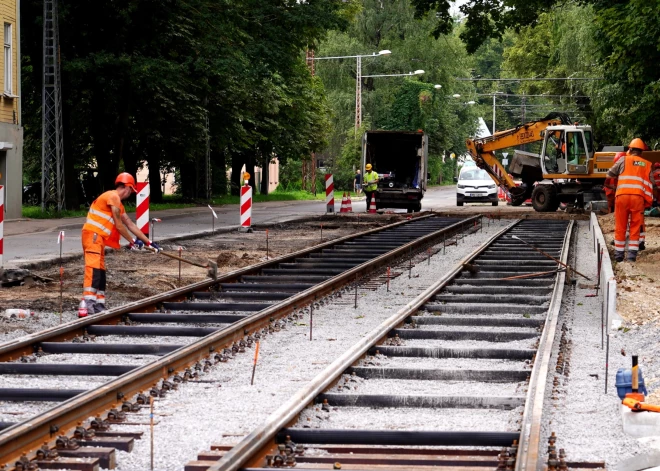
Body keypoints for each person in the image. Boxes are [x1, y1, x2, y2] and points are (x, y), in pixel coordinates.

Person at [81, 173, 162, 315]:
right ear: (127, 187)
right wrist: (132, 242)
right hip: (92, 237)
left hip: (98, 239)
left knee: (100, 272)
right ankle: (88, 304)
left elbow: (130, 224)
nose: (130, 194)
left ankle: (98, 304)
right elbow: (119, 225)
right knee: (93, 270)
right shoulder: (113, 196)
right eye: (131, 191)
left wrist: (148, 242)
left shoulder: (118, 203)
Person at [607, 139, 653, 262]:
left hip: (622, 197)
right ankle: (632, 256)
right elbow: (652, 184)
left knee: (620, 225)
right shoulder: (646, 164)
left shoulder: (623, 160)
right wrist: (648, 200)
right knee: (635, 226)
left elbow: (609, 174)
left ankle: (619, 256)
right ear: (641, 152)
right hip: (638, 198)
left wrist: (615, 185)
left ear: (630, 149)